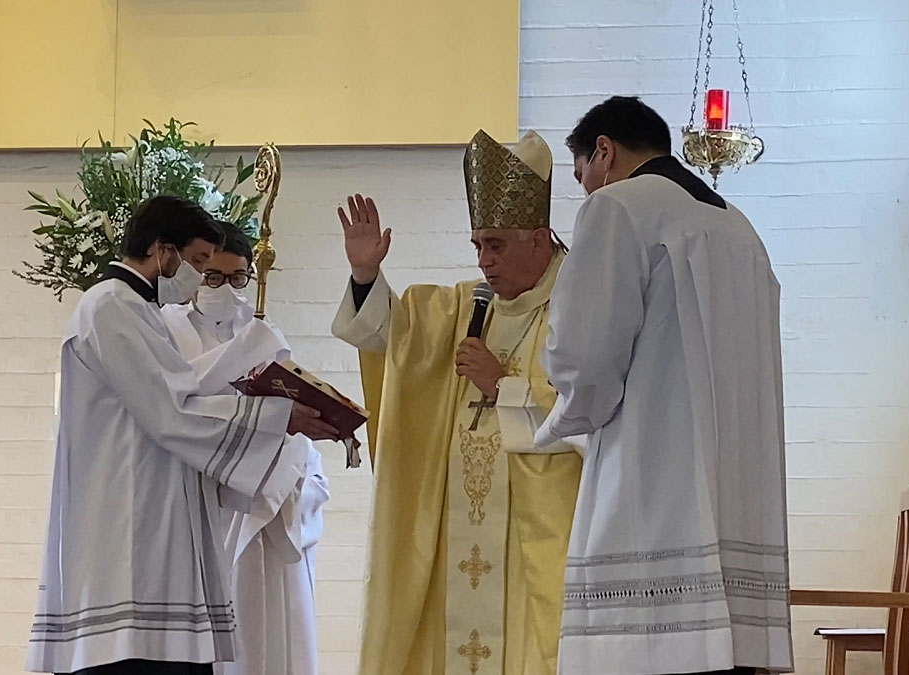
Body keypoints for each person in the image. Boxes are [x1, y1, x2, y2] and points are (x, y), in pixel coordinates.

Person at [26, 196, 339, 675]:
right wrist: (278, 417)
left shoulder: (131, 306)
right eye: (197, 262)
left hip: (154, 498)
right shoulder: (112, 305)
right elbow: (171, 410)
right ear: (162, 250)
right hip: (128, 509)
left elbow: (175, 392)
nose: (197, 275)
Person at [535, 96, 793, 675]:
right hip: (739, 511)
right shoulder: (738, 225)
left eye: (582, 176)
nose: (586, 192)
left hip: (652, 500)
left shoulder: (618, 208)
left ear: (603, 152)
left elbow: (585, 359)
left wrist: (559, 418)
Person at [332, 130, 582, 675]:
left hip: (535, 541)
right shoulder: (465, 306)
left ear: (539, 239)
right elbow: (392, 339)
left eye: (496, 245)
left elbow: (591, 418)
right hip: (459, 534)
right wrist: (365, 275)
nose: (483, 261)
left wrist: (503, 389)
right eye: (477, 246)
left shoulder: (581, 305)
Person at [160, 223, 329, 675]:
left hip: (259, 489)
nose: (224, 288)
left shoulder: (264, 331)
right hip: (196, 487)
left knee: (261, 624)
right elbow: (170, 404)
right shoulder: (165, 327)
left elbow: (285, 404)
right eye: (213, 276)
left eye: (238, 278)